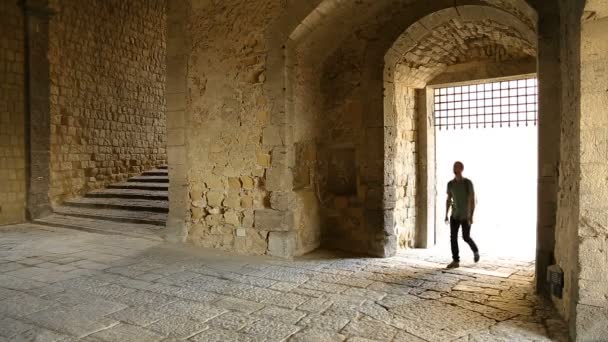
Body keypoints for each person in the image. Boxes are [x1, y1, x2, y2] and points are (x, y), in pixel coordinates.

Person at [444, 161, 479, 269]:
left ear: (462, 168)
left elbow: (473, 199)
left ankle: (475, 251)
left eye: (457, 167)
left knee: (466, 237)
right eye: (454, 167)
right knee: (453, 238)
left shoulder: (467, 183)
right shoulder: (450, 184)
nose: (455, 168)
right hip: (455, 215)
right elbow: (449, 199)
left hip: (465, 215)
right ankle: (455, 260)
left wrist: (471, 215)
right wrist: (446, 214)